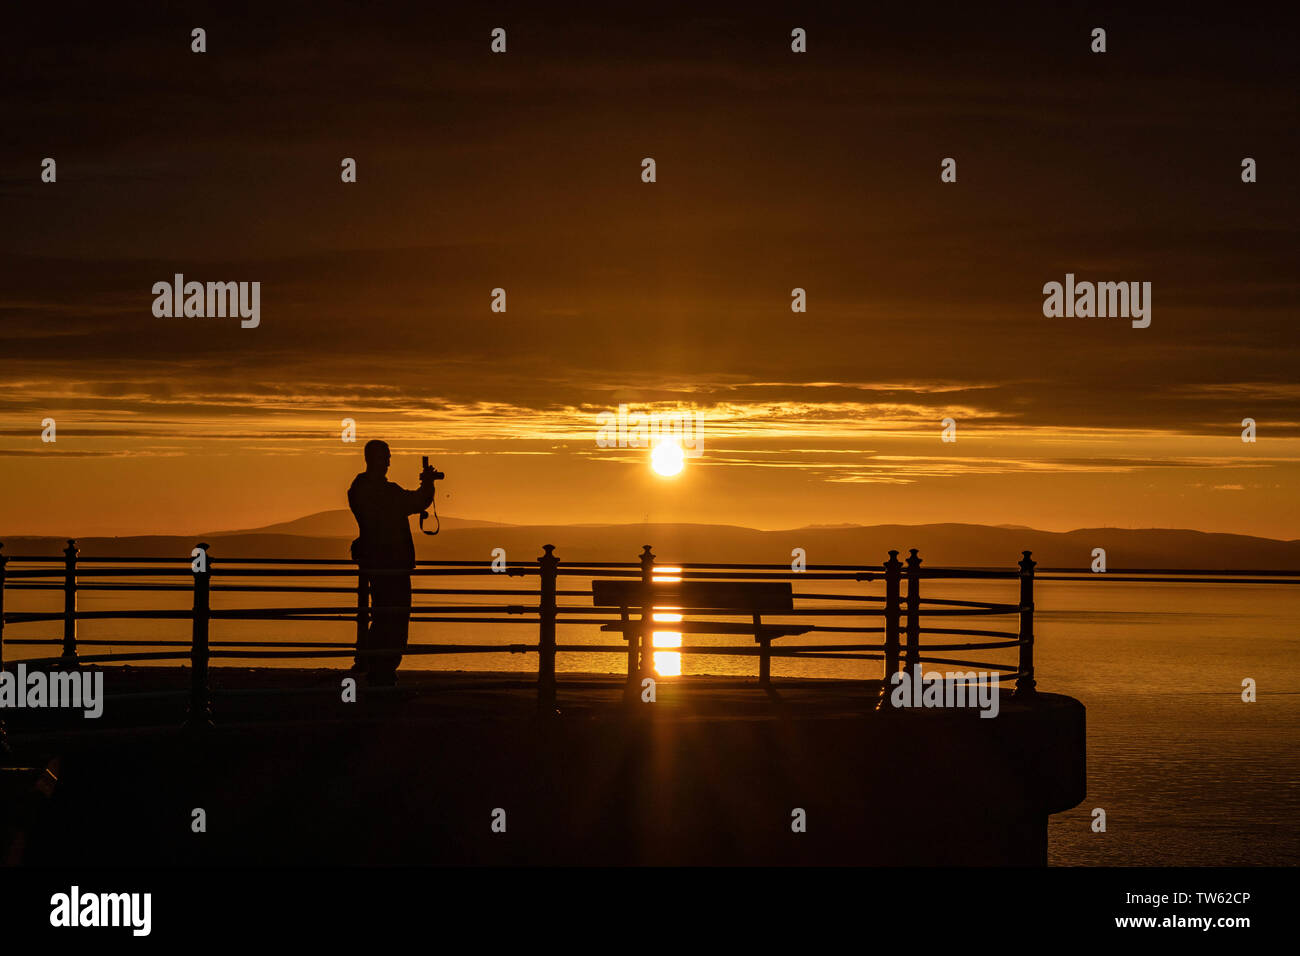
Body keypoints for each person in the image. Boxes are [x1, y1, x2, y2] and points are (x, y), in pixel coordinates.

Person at [347, 440, 436, 685]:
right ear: (374, 458)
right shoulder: (384, 492)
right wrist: (427, 483)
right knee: (393, 617)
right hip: (392, 563)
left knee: (381, 614)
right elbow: (418, 501)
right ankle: (382, 672)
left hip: (375, 561)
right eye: (385, 457)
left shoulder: (358, 489)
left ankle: (373, 664)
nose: (388, 462)